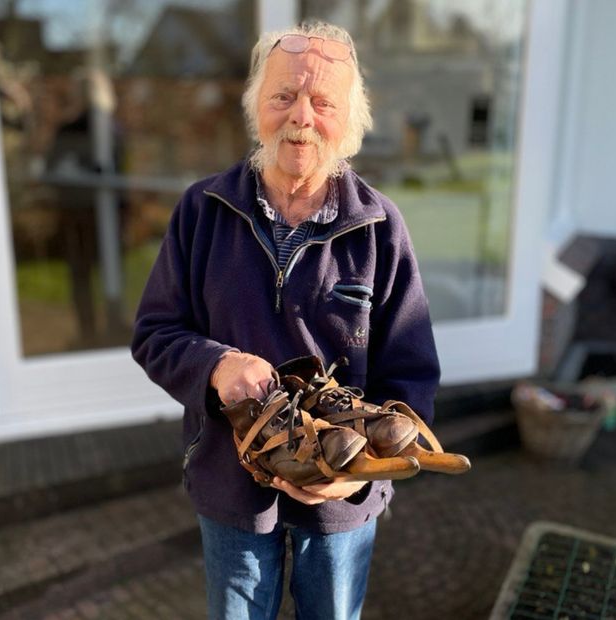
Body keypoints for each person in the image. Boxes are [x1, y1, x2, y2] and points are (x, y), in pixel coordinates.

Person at [131, 21, 439, 620]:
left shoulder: (381, 228)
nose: (301, 116)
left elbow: (412, 379)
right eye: (283, 97)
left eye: (323, 102)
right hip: (231, 486)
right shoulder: (203, 211)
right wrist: (215, 365)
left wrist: (355, 479)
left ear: (350, 120)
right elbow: (155, 334)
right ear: (257, 108)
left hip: (341, 501)